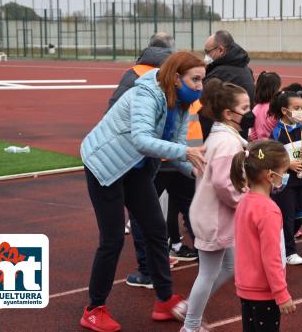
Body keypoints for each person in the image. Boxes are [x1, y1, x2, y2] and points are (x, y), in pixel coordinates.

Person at [79, 51, 207, 332]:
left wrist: (197, 171)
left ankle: (163, 299)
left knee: (156, 230)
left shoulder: (183, 104)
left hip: (136, 169)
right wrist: (187, 152)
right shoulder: (146, 94)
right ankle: (93, 308)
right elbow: (141, 139)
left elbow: (174, 149)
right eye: (194, 79)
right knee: (112, 239)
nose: (200, 85)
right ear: (175, 77)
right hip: (105, 165)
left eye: (202, 79)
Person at [175, 79, 255, 332]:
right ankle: (190, 325)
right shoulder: (227, 143)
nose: (249, 112)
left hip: (214, 215)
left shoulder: (224, 136)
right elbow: (224, 184)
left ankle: (189, 309)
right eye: (245, 107)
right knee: (208, 273)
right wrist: (246, 201)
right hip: (214, 218)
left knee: (228, 267)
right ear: (228, 114)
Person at [231, 139, 297, 332]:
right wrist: (281, 293)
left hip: (246, 287)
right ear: (270, 175)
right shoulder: (269, 211)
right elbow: (272, 257)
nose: (284, 177)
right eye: (283, 172)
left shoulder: (244, 202)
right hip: (264, 291)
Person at [268, 90, 302, 265]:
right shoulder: (276, 133)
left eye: (301, 108)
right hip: (283, 181)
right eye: (296, 108)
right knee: (287, 215)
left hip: (301, 179)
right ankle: (289, 251)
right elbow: (270, 158)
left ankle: (283, 239)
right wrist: (287, 164)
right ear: (284, 111)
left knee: (301, 213)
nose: (300, 112)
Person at [201, 30, 256, 140]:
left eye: (208, 52)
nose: (206, 56)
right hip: (237, 132)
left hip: (222, 135)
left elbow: (203, 102)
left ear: (220, 50)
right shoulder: (244, 68)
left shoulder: (220, 73)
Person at [250, 71, 281, 140]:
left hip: (262, 146)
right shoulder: (277, 108)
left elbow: (253, 135)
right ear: (275, 88)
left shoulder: (255, 109)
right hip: (278, 147)